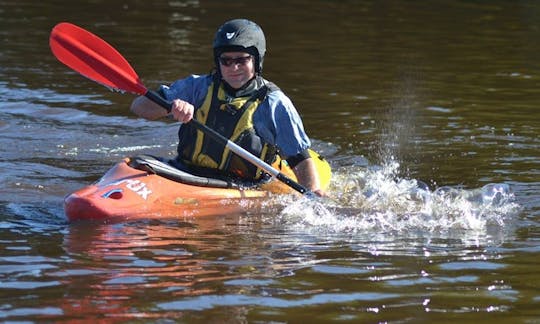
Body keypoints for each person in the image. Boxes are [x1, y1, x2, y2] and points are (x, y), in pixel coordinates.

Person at [130, 18, 324, 196]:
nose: (234, 68)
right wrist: (170, 106)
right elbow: (139, 107)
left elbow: (299, 158)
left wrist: (313, 192)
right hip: (186, 171)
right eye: (226, 61)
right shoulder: (197, 87)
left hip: (243, 184)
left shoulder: (274, 103)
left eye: (242, 60)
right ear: (218, 61)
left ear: (256, 61)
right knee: (136, 163)